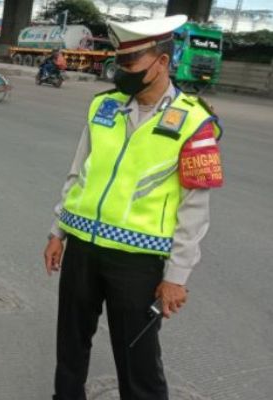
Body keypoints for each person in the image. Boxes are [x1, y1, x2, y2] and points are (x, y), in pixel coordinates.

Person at [43, 15, 224, 400]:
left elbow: (195, 211)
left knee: (137, 357)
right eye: (118, 62)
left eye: (130, 64)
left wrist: (177, 275)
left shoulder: (194, 122)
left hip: (138, 263)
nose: (119, 72)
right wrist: (57, 231)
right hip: (83, 249)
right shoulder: (103, 108)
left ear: (161, 62)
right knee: (71, 343)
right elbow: (79, 173)